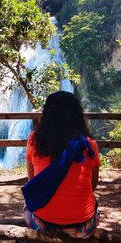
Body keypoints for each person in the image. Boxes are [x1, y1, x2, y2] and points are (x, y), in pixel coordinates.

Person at [22, 91, 100, 239]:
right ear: (78, 116)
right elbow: (93, 185)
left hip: (42, 224)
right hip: (82, 228)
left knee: (26, 205)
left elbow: (33, 181)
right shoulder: (89, 145)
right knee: (95, 205)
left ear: (47, 115)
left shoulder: (34, 140)